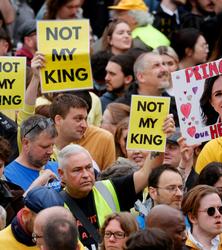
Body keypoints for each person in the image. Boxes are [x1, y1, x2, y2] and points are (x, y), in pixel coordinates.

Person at [57, 118, 174, 250]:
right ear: (61, 174)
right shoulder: (53, 203)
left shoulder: (109, 188)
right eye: (77, 170)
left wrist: (160, 137)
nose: (85, 174)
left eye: (88, 167)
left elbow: (147, 173)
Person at [116, 51, 179, 126]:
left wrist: (173, 134)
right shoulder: (121, 108)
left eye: (163, 64)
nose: (165, 69)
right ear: (141, 77)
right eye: (156, 65)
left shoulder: (177, 106)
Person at [4, 115, 60, 191]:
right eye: (44, 146)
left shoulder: (57, 167)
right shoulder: (8, 177)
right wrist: (37, 184)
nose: (50, 151)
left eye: (52, 145)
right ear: (26, 143)